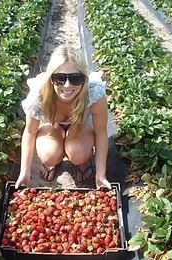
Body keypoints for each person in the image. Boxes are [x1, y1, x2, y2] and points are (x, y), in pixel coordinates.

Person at [15, 44, 111, 189]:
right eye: (59, 78)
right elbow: (29, 132)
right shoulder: (40, 95)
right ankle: (52, 161)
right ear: (50, 78)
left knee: (78, 153)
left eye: (75, 78)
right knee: (49, 154)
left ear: (84, 78)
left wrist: (101, 174)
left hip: (80, 123)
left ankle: (82, 161)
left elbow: (101, 132)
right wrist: (24, 171)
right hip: (51, 125)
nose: (67, 85)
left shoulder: (93, 92)